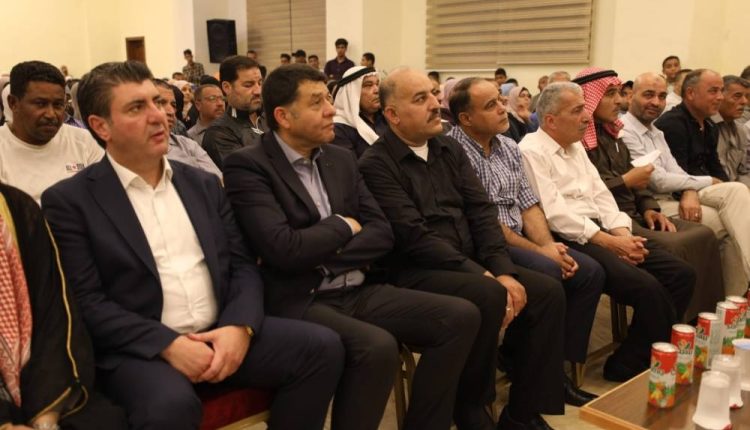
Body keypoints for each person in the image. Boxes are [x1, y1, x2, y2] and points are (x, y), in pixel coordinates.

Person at [42, 60, 344, 430]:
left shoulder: (201, 184)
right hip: (141, 349)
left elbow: (242, 266)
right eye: (137, 108)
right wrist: (168, 344)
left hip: (219, 329)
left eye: (158, 102)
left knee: (322, 348)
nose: (159, 116)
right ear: (101, 126)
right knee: (169, 406)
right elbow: (86, 301)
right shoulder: (70, 201)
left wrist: (239, 327)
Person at [223, 64, 479, 430]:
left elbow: (382, 232)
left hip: (356, 287)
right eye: (317, 103)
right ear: (283, 116)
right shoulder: (249, 165)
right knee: (376, 347)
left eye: (329, 99)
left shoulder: (340, 158)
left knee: (459, 316)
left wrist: (325, 257)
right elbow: (283, 248)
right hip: (302, 296)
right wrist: (343, 225)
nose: (331, 110)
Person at [359, 68, 566, 430]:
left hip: (466, 260)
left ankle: (522, 412)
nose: (434, 104)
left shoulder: (448, 147)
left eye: (433, 94)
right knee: (487, 293)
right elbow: (414, 237)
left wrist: (502, 269)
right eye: (420, 99)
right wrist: (484, 274)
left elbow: (481, 212)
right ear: (392, 115)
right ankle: (472, 405)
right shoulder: (376, 163)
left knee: (547, 291)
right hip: (415, 269)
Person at [519, 81, 695, 382]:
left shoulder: (575, 146)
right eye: (577, 111)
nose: (586, 117)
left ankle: (639, 354)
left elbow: (601, 196)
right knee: (649, 289)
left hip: (603, 231)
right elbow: (554, 213)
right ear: (550, 120)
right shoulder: (530, 151)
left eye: (585, 109)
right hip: (570, 236)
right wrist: (609, 242)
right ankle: (629, 366)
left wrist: (622, 234)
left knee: (681, 274)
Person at [447, 77, 604, 407]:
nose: (503, 108)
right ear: (466, 118)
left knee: (586, 272)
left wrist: (546, 246)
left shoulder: (507, 146)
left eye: (500, 100)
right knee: (550, 276)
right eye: (491, 105)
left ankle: (546, 363)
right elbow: (485, 220)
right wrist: (540, 252)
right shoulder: (453, 151)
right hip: (484, 244)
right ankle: (536, 369)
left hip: (517, 238)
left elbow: (529, 204)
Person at [574, 67, 722, 320]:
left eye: (619, 93)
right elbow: (587, 193)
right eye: (610, 94)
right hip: (609, 221)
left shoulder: (614, 135)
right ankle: (674, 326)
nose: (619, 101)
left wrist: (649, 208)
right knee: (677, 249)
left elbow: (637, 183)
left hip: (636, 213)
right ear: (590, 98)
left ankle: (704, 320)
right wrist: (626, 182)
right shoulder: (579, 140)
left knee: (704, 234)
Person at [0, 183, 127, 430]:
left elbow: (53, 314)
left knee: (105, 421)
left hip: (29, 382)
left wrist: (45, 416)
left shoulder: (16, 205)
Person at [622, 72, 750, 296]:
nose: (656, 102)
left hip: (676, 195)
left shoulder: (656, 132)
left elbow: (676, 172)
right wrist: (706, 181)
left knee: (736, 201)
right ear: (631, 95)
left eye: (662, 96)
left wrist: (690, 188)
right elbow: (658, 181)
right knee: (731, 221)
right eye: (649, 95)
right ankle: (728, 303)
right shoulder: (625, 130)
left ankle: (730, 305)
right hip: (650, 206)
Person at [0, 61, 103, 203]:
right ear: (13, 103)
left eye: (58, 105)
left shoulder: (85, 142)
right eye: (40, 104)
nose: (51, 114)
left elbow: (104, 199)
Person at [203, 56, 268, 170]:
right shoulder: (219, 132)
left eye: (260, 83)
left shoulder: (273, 117)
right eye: (248, 85)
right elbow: (245, 174)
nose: (258, 91)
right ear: (227, 87)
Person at [153, 80, 221, 178]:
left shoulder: (189, 145)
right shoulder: (133, 151)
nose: (171, 111)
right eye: (160, 103)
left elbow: (218, 181)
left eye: (173, 105)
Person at [331, 66, 388, 158]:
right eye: (368, 85)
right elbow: (349, 164)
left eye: (377, 84)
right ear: (352, 93)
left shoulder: (386, 118)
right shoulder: (339, 128)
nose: (377, 90)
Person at [713, 75, 750, 185]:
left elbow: (743, 172)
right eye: (737, 96)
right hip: (711, 187)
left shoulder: (741, 130)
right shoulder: (706, 126)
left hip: (735, 188)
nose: (744, 101)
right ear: (720, 97)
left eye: (747, 96)